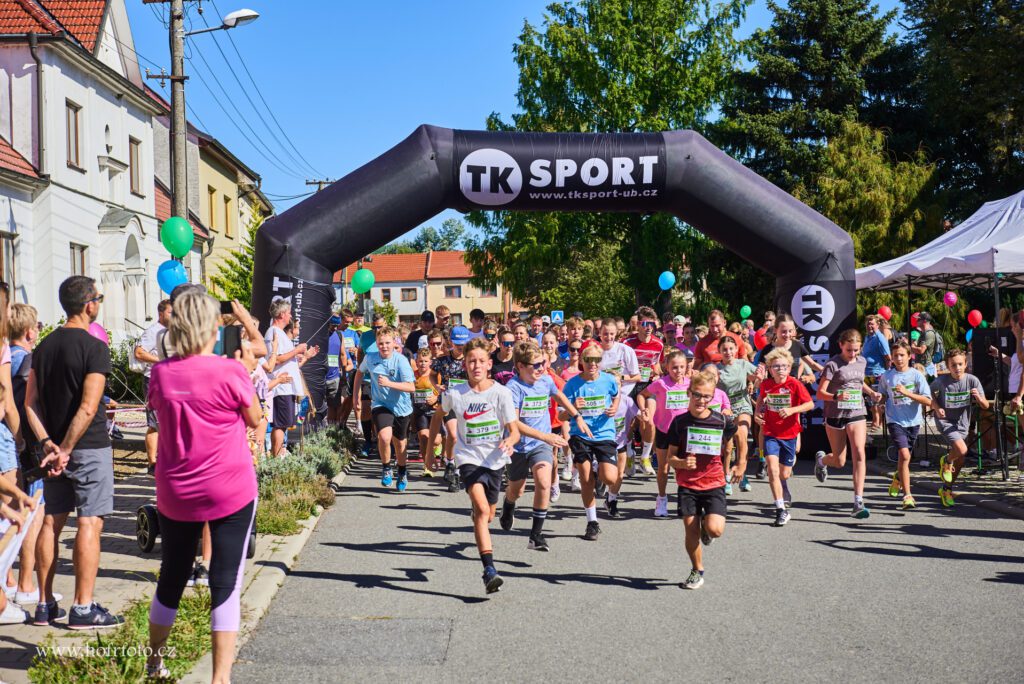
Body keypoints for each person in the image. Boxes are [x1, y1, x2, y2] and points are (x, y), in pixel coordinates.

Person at [144, 289, 260, 682]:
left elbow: (160, 410)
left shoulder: (161, 372)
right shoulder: (230, 371)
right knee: (225, 580)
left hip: (176, 490)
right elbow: (256, 419)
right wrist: (243, 370)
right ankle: (219, 678)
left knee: (172, 574)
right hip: (229, 487)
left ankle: (154, 661)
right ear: (213, 326)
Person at [24, 276, 122, 628]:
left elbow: (29, 403)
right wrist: (64, 447)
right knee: (89, 523)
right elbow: (88, 406)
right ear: (89, 304)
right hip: (89, 447)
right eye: (99, 298)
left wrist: (47, 443)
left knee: (52, 522)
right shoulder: (95, 348)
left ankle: (44, 603)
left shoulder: (44, 347)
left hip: (53, 452)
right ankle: (83, 606)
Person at [442, 338, 518, 593]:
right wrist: (436, 451)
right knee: (484, 511)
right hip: (469, 459)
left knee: (488, 515)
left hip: (495, 460)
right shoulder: (455, 394)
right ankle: (489, 570)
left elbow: (514, 430)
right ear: (464, 364)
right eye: (471, 361)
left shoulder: (501, 393)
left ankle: (478, 517)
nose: (476, 365)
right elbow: (439, 416)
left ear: (489, 364)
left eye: (481, 361)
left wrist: (510, 440)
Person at [501, 342, 587, 551]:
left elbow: (559, 396)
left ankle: (536, 535)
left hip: (541, 445)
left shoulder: (545, 380)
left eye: (543, 363)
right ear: (520, 366)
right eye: (536, 365)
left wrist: (576, 415)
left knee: (543, 482)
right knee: (517, 490)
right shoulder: (512, 388)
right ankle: (508, 505)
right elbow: (515, 423)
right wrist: (545, 436)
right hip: (519, 447)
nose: (541, 368)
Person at [665, 371, 736, 589]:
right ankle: (697, 570)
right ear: (689, 393)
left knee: (715, 530)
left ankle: (707, 528)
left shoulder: (721, 420)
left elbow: (737, 437)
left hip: (714, 483)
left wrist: (738, 463)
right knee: (690, 529)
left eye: (707, 396)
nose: (701, 400)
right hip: (688, 484)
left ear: (713, 397)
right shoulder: (679, 422)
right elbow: (670, 458)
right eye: (697, 395)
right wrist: (682, 464)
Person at [813, 329, 882, 518]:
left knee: (860, 452)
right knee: (839, 461)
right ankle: (822, 460)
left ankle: (858, 501)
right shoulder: (833, 364)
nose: (853, 354)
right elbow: (820, 393)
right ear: (841, 345)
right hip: (835, 414)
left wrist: (871, 393)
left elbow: (859, 383)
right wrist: (836, 396)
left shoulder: (862, 361)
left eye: (856, 350)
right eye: (849, 350)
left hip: (857, 412)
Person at [560, 346, 620, 540]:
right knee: (585, 478)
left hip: (604, 434)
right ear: (582, 361)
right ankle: (592, 522)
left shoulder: (609, 380)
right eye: (588, 359)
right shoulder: (571, 384)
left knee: (610, 478)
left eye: (596, 359)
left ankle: (598, 472)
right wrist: (573, 408)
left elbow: (616, 394)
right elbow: (560, 415)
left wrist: (615, 407)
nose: (592, 364)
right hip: (580, 435)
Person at [754, 348, 814, 526]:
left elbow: (810, 404)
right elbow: (759, 402)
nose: (780, 369)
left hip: (789, 434)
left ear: (789, 368)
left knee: (784, 473)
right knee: (772, 469)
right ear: (770, 369)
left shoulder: (794, 384)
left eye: (783, 366)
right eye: (776, 366)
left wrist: (791, 410)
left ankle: (785, 478)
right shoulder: (766, 385)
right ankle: (780, 509)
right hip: (771, 433)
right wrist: (757, 414)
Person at [353, 326, 416, 491]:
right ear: (376, 343)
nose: (384, 346)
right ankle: (387, 468)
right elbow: (359, 373)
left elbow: (411, 387)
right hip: (381, 404)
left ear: (394, 342)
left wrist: (389, 384)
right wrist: (355, 396)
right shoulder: (370, 358)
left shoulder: (401, 360)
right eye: (381, 343)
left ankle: (402, 471)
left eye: (387, 343)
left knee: (400, 444)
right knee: (384, 437)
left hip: (401, 408)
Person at [930, 349, 988, 507]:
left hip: (962, 424)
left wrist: (978, 398)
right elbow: (929, 393)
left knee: (960, 460)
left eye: (960, 364)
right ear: (948, 366)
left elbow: (985, 405)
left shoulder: (972, 380)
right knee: (962, 450)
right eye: (953, 365)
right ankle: (946, 460)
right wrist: (936, 407)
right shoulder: (941, 381)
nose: (957, 368)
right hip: (945, 421)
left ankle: (946, 489)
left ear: (966, 364)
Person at [876, 340, 930, 509]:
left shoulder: (916, 375)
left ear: (909, 356)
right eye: (895, 356)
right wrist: (879, 400)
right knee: (905, 456)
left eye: (902, 355)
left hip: (913, 421)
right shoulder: (887, 376)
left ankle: (898, 477)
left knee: (904, 458)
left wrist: (907, 393)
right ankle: (908, 496)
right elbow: (882, 395)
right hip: (895, 420)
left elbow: (927, 400)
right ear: (891, 358)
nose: (898, 359)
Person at [639, 349, 693, 517]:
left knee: (683, 468)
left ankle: (684, 500)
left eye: (681, 367)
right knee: (664, 467)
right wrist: (644, 410)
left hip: (684, 432)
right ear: (667, 367)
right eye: (674, 367)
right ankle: (662, 499)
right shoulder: (661, 383)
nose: (678, 371)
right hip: (664, 430)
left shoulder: (691, 383)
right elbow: (642, 394)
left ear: (686, 367)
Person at [264, 301, 312, 457]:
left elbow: (283, 357)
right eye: (289, 313)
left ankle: (276, 456)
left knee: (283, 424)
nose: (291, 316)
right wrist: (296, 350)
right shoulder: (273, 332)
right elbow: (275, 359)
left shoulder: (280, 332)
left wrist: (297, 355)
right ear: (282, 314)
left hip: (286, 386)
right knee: (280, 424)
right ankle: (275, 458)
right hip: (281, 386)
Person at [716, 335, 758, 495]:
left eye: (731, 349)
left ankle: (742, 472)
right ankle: (726, 476)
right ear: (719, 351)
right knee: (727, 448)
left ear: (736, 350)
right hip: (725, 409)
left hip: (743, 405)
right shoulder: (717, 369)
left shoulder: (743, 364)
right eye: (724, 349)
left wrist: (755, 381)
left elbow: (760, 377)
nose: (728, 352)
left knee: (741, 435)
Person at [134, 299, 172, 474]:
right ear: (161, 313)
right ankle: (152, 463)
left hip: (168, 380)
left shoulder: (172, 332)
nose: (173, 316)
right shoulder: (153, 332)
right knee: (154, 423)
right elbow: (139, 352)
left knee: (166, 423)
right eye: (170, 313)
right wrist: (161, 360)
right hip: (153, 380)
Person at [625, 309, 663, 472]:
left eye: (652, 324)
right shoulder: (627, 343)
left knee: (650, 421)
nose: (649, 327)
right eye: (645, 324)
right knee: (629, 424)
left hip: (648, 385)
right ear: (639, 324)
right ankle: (628, 453)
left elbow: (657, 365)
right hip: (630, 385)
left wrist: (657, 374)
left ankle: (645, 457)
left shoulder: (658, 344)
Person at [412, 348, 441, 476]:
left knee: (435, 440)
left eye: (425, 361)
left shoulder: (436, 375)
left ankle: (435, 450)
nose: (422, 363)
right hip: (419, 410)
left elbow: (443, 389)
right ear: (416, 362)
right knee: (423, 438)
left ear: (430, 362)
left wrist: (436, 397)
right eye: (420, 361)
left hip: (435, 410)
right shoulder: (413, 375)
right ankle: (427, 467)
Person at [862, 314, 892, 431]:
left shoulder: (880, 338)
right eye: (868, 323)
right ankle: (876, 420)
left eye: (872, 324)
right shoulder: (867, 337)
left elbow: (888, 356)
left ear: (878, 325)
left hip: (877, 373)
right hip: (867, 373)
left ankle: (877, 422)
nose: (870, 326)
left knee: (876, 399)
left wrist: (888, 373)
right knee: (869, 399)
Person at [325, 315, 355, 427]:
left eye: (337, 326)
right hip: (321, 377)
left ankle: (333, 431)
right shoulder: (321, 335)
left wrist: (343, 373)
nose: (335, 328)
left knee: (335, 406)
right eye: (333, 325)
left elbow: (343, 354)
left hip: (334, 376)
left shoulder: (339, 334)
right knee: (321, 408)